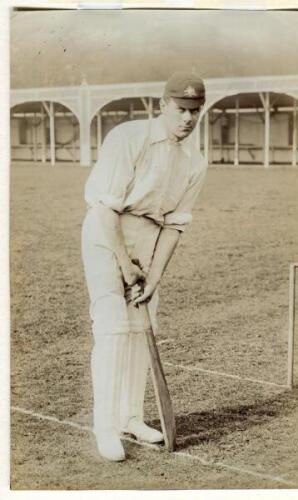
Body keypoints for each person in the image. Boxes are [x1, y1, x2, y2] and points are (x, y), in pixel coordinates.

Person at [81, 71, 207, 461]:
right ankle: (106, 428)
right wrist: (123, 262)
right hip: (107, 235)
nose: (187, 118)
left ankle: (131, 416)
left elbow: (174, 226)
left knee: (140, 330)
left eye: (195, 111)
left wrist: (152, 277)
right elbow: (104, 206)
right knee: (114, 328)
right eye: (181, 109)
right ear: (162, 105)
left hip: (150, 241)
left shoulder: (195, 161)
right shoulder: (128, 137)